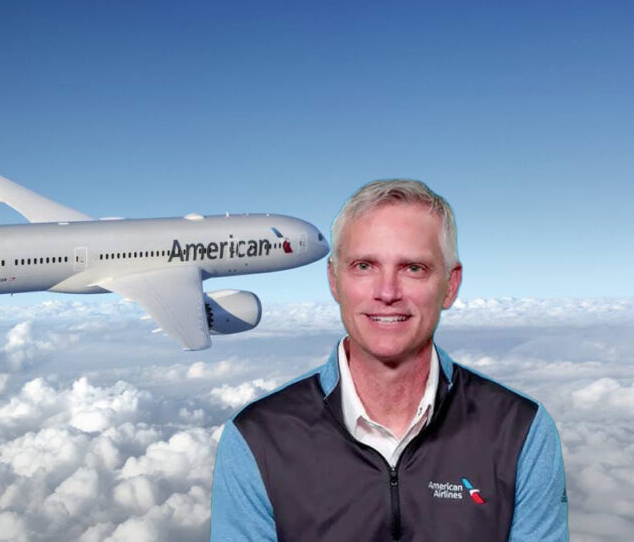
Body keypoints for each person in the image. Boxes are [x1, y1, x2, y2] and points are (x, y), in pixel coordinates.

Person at [210, 179, 568, 541]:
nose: (387, 292)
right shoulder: (257, 440)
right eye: (364, 265)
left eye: (413, 268)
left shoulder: (521, 431)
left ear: (450, 285)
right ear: (334, 280)